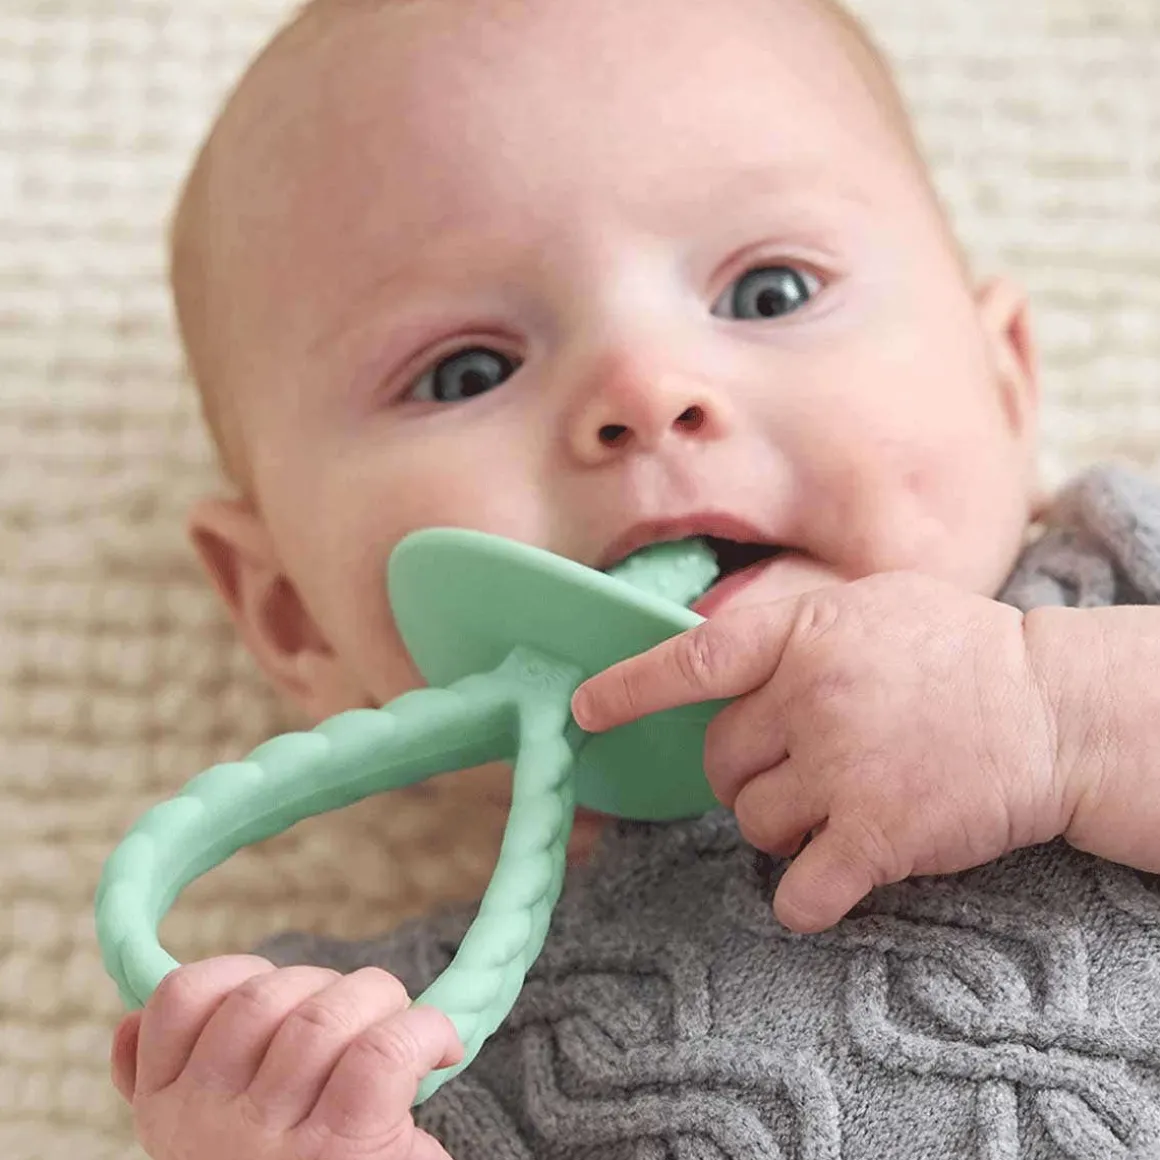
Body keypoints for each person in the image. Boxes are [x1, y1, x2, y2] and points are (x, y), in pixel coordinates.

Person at [109, 0, 1160, 1154]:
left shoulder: (1115, 594)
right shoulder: (394, 1046)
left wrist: (1057, 712)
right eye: (465, 370)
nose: (643, 388)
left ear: (1003, 386)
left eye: (768, 292)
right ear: (292, 611)